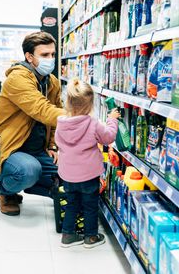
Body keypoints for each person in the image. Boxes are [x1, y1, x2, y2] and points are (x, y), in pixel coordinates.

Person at [0, 31, 64, 216]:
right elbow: (43, 110)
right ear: (29, 57)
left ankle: (28, 182)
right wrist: (81, 117)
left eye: (53, 54)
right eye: (45, 55)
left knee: (67, 178)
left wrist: (52, 145)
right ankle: (5, 192)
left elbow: (55, 117)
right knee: (28, 170)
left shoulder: (52, 82)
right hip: (9, 149)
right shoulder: (17, 79)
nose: (51, 59)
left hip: (37, 150)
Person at [55, 78, 120, 248]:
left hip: (68, 175)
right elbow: (108, 137)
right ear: (91, 105)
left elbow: (59, 144)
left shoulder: (60, 123)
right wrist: (112, 119)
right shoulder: (93, 123)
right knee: (90, 206)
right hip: (88, 175)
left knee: (72, 204)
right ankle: (91, 237)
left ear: (67, 102)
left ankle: (68, 235)